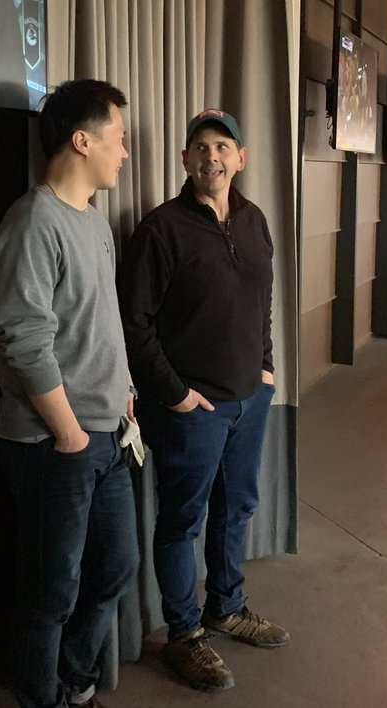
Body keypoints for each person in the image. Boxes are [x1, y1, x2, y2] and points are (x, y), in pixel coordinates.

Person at [118, 109, 285, 694]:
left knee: (236, 507)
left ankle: (225, 607)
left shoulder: (255, 220)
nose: (211, 156)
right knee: (182, 520)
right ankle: (185, 634)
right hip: (193, 409)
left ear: (240, 158)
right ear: (185, 161)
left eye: (222, 145)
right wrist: (176, 394)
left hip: (249, 400)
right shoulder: (161, 229)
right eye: (199, 147)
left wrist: (266, 366)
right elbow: (134, 323)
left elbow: (260, 300)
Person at [0, 79, 138, 708]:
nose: (125, 153)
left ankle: (73, 685)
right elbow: (23, 338)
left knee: (115, 569)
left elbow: (99, 321)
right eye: (119, 139)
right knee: (52, 592)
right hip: (54, 445)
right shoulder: (33, 221)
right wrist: (70, 432)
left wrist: (124, 391)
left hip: (107, 437)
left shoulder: (93, 223)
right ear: (82, 140)